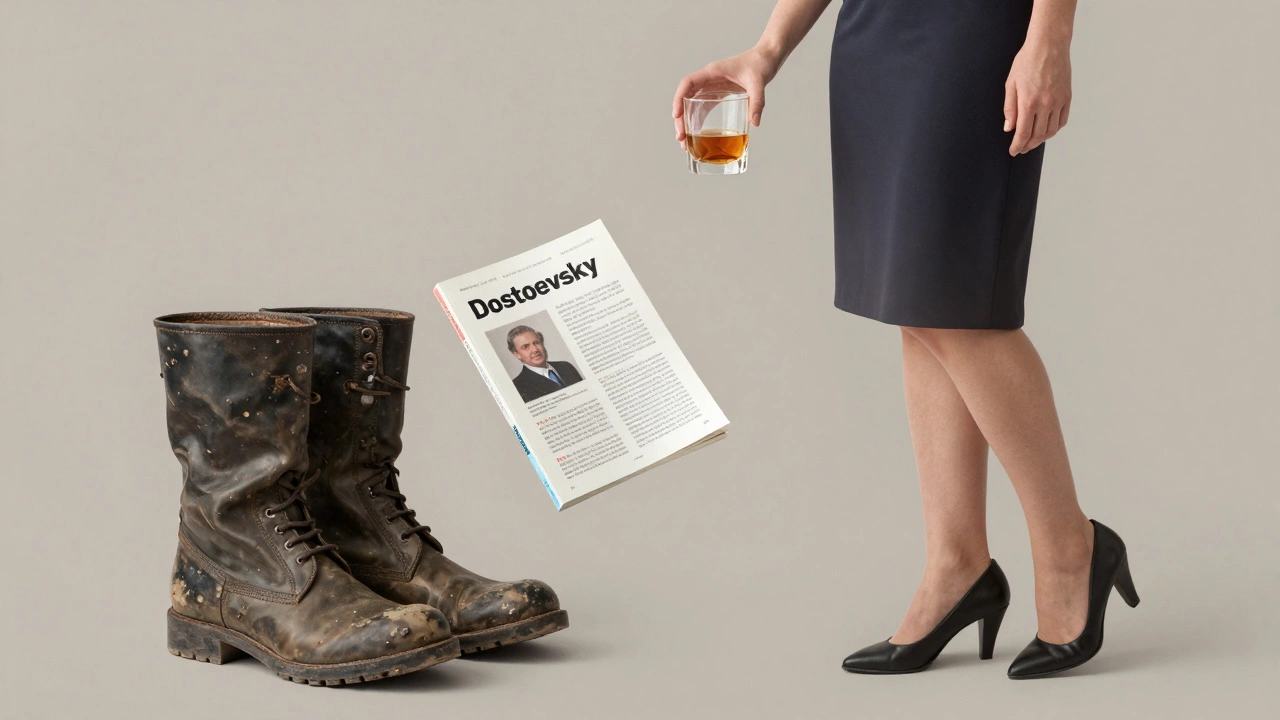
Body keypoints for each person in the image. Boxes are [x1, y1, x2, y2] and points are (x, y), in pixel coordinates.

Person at [673, 0, 1138, 678]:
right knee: (917, 302)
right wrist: (767, 49)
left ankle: (1071, 545)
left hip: (975, 28)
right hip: (874, 37)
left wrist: (1050, 36)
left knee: (958, 300)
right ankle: (957, 564)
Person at [508, 325, 584, 402]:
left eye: (536, 342)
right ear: (517, 354)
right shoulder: (517, 387)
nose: (535, 349)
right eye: (525, 347)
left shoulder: (566, 366)